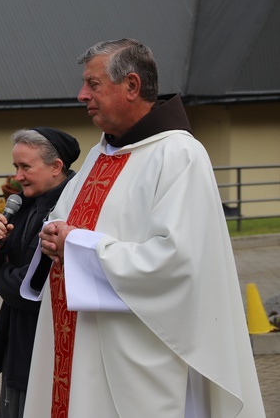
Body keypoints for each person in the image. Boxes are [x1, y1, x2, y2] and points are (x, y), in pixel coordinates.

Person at [21, 39, 265, 417]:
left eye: (93, 84)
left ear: (131, 86)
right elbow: (64, 220)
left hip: (135, 360)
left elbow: (176, 262)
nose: (82, 95)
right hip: (77, 344)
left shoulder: (179, 155)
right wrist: (54, 237)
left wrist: (78, 246)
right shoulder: (99, 154)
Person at [0, 127, 80, 418]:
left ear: (56, 166)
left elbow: (27, 289)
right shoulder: (23, 204)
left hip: (45, 348)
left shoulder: (66, 212)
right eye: (15, 166)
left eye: (25, 167)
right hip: (16, 345)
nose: (17, 176)